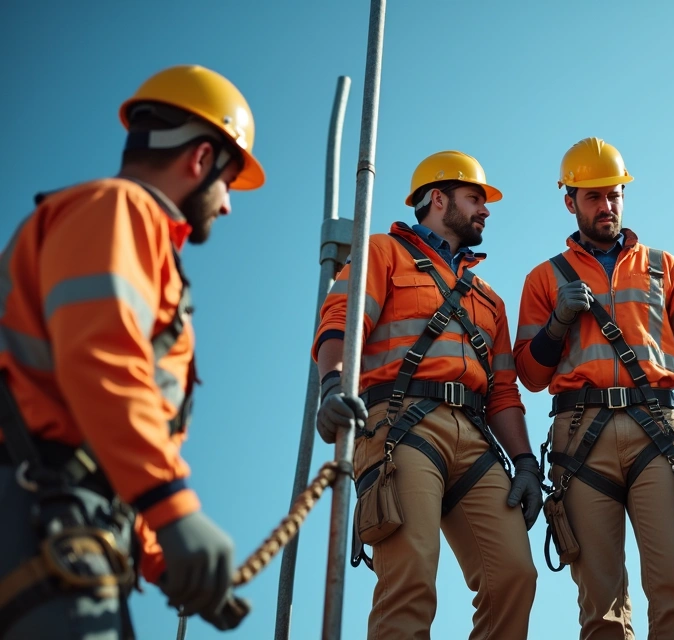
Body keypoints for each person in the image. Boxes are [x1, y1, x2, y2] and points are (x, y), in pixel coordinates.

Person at [0, 64, 262, 638]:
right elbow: (102, 363)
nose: (227, 206)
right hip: (35, 514)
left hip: (69, 517)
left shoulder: (113, 224)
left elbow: (102, 440)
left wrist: (164, 559)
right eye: (228, 183)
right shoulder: (122, 210)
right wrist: (173, 510)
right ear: (200, 160)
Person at [513, 136, 674, 639]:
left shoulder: (663, 268)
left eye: (614, 195)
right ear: (570, 202)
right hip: (579, 442)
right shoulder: (544, 280)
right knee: (602, 613)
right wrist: (558, 322)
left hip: (656, 433)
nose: (606, 206)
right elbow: (529, 373)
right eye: (593, 197)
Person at [313, 150, 540, 639]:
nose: (485, 210)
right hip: (400, 426)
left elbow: (503, 392)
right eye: (474, 197)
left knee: (514, 577)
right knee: (411, 578)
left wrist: (524, 462)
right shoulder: (381, 253)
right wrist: (332, 386)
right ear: (438, 199)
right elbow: (339, 326)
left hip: (475, 438)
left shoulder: (489, 300)